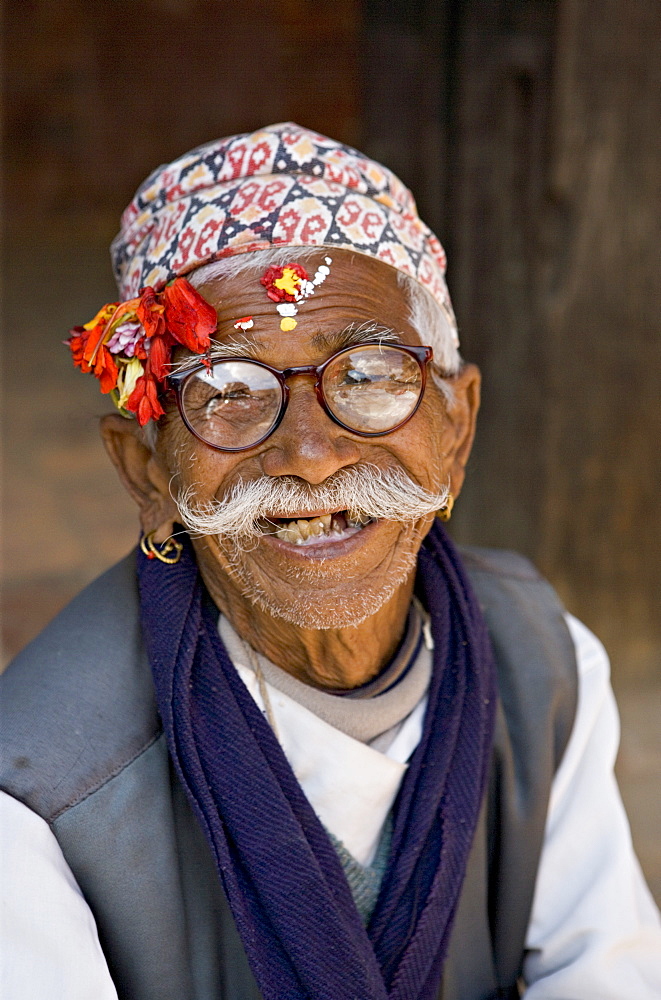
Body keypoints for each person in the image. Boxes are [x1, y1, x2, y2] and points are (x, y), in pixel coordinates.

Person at [1, 122, 659, 1000]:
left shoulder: (543, 661)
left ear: (456, 428)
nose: (310, 455)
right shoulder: (35, 796)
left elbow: (604, 973)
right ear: (147, 472)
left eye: (371, 375)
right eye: (229, 394)